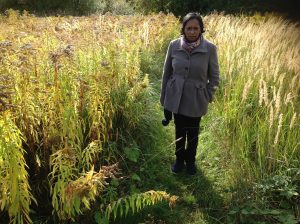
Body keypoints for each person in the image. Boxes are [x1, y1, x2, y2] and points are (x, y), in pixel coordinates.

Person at [160, 12, 220, 175]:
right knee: (179, 130)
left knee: (193, 132)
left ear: (201, 29)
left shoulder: (210, 48)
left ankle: (191, 161)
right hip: (176, 97)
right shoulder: (173, 45)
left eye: (195, 28)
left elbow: (215, 77)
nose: (192, 31)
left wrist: (207, 95)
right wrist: (164, 98)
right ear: (183, 29)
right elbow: (166, 73)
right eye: (189, 28)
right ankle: (179, 160)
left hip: (196, 99)